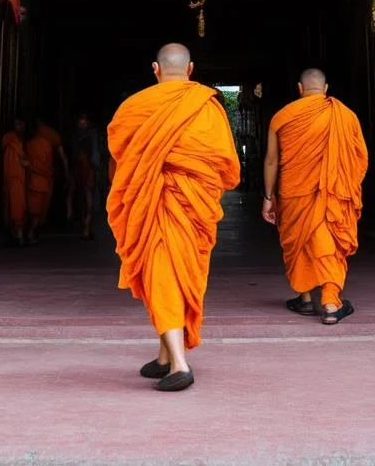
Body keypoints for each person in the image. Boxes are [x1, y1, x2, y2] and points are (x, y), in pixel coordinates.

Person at [107, 43, 240, 392]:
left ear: (155, 68)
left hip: (155, 201)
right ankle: (166, 355)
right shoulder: (208, 107)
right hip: (189, 203)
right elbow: (225, 164)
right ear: (191, 68)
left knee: (163, 274)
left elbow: (119, 154)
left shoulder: (134, 107)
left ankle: (180, 365)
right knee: (172, 276)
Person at [262, 69, 368, 325]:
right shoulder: (345, 116)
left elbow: (272, 161)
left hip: (293, 191)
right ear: (326, 87)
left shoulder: (281, 118)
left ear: (300, 88)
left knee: (299, 241)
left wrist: (268, 197)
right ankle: (330, 302)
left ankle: (307, 298)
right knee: (328, 241)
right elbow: (359, 158)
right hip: (333, 191)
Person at [26, 120, 67, 241]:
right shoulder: (49, 140)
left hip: (34, 178)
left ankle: (30, 232)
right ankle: (30, 232)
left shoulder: (30, 143)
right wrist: (67, 173)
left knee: (34, 208)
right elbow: (63, 157)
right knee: (38, 208)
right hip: (41, 178)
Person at [68, 112, 101, 240]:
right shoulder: (74, 135)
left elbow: (95, 152)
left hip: (88, 169)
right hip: (77, 168)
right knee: (74, 195)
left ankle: (86, 228)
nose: (82, 124)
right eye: (80, 122)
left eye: (84, 122)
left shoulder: (92, 135)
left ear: (88, 123)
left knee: (89, 200)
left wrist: (94, 165)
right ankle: (73, 215)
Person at [0, 119, 29, 246]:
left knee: (18, 205)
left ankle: (19, 235)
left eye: (22, 124)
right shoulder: (9, 139)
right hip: (10, 177)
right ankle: (15, 235)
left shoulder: (22, 141)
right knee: (11, 206)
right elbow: (23, 160)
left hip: (19, 179)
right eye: (17, 124)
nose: (20, 126)